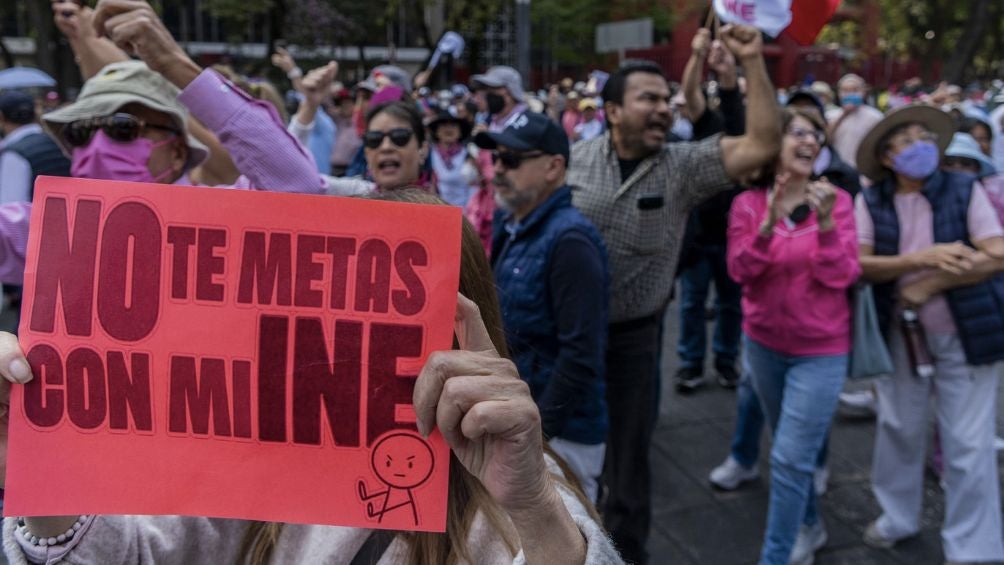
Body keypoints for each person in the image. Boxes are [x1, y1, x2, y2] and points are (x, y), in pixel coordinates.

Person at [0, 191, 624, 564]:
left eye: (390, 318)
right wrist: (38, 456)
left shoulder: (512, 489)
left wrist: (533, 509)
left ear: (463, 334)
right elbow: (130, 555)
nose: (348, 349)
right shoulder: (254, 460)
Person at [566, 24, 782, 564]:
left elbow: (761, 145)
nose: (664, 107)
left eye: (668, 99)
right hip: (566, 336)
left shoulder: (683, 166)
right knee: (557, 457)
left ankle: (625, 555)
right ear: (613, 110)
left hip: (636, 341)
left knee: (629, 469)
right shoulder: (572, 159)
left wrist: (752, 62)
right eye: (649, 98)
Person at [0, 0, 325, 287]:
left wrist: (175, 64)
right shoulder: (52, 230)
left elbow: (300, 191)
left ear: (177, 150)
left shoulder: (223, 223)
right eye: (80, 132)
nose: (98, 144)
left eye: (122, 127)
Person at [853, 104, 1004, 565]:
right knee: (898, 426)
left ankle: (973, 547)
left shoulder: (963, 187)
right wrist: (926, 257)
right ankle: (898, 516)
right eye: (906, 140)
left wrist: (932, 282)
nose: (921, 146)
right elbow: (860, 264)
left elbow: (997, 252)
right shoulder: (871, 200)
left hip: (969, 334)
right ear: (885, 157)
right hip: (899, 333)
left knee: (969, 442)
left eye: (925, 137)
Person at [726, 107, 860, 565]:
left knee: (786, 458)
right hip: (763, 345)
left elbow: (843, 274)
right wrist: (765, 225)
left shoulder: (837, 202)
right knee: (790, 451)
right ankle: (810, 525)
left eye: (816, 135)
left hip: (820, 352)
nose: (810, 140)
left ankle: (777, 555)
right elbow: (739, 271)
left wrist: (823, 225)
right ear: (774, 143)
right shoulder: (746, 204)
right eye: (798, 132)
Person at [475, 112, 609, 501]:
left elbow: (581, 355)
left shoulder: (571, 242)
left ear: (554, 167)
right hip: (521, 422)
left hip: (560, 435)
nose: (498, 169)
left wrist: (538, 435)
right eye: (495, 158)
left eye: (512, 160)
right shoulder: (512, 222)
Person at [673, 26, 745, 392]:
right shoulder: (708, 125)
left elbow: (732, 87)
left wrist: (729, 65)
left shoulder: (748, 126)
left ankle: (726, 361)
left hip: (737, 236)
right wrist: (698, 55)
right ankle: (690, 363)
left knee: (732, 304)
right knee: (692, 303)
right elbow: (689, 92)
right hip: (701, 236)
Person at [0, 91, 70, 204]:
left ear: (1, 117)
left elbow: (12, 210)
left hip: (37, 220)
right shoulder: (57, 141)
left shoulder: (14, 154)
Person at [826, 74, 884, 169]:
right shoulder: (830, 115)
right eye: (845, 90)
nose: (850, 94)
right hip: (837, 170)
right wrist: (844, 114)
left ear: (863, 92)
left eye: (855, 90)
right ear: (839, 93)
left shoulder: (875, 117)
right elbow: (825, 141)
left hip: (863, 172)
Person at [427, 110, 476, 207]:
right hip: (438, 210)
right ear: (436, 132)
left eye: (453, 125)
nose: (448, 129)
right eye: (444, 125)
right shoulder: (429, 155)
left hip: (465, 212)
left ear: (460, 132)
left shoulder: (469, 154)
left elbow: (474, 188)